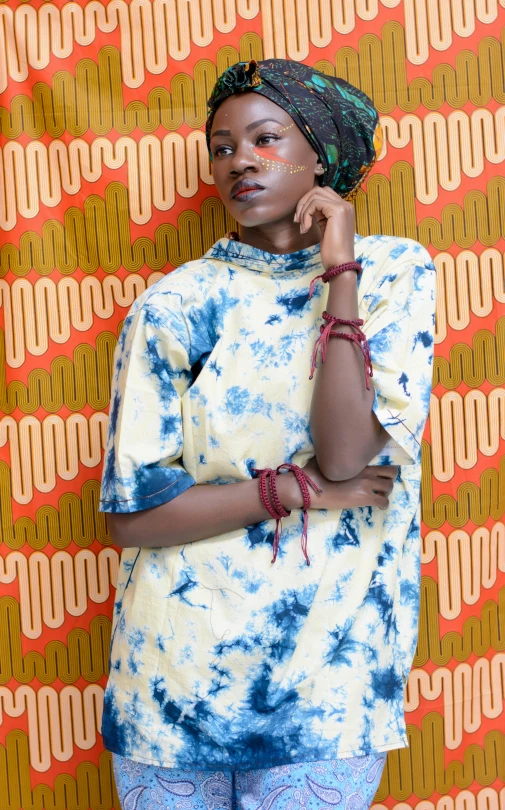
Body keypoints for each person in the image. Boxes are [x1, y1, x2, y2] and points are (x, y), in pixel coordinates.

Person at [98, 58, 436, 810]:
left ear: (321, 156)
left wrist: (338, 268)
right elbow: (134, 515)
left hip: (330, 688)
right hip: (172, 686)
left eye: (266, 138)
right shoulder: (175, 303)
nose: (239, 161)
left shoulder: (394, 275)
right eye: (221, 147)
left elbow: (350, 450)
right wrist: (303, 488)